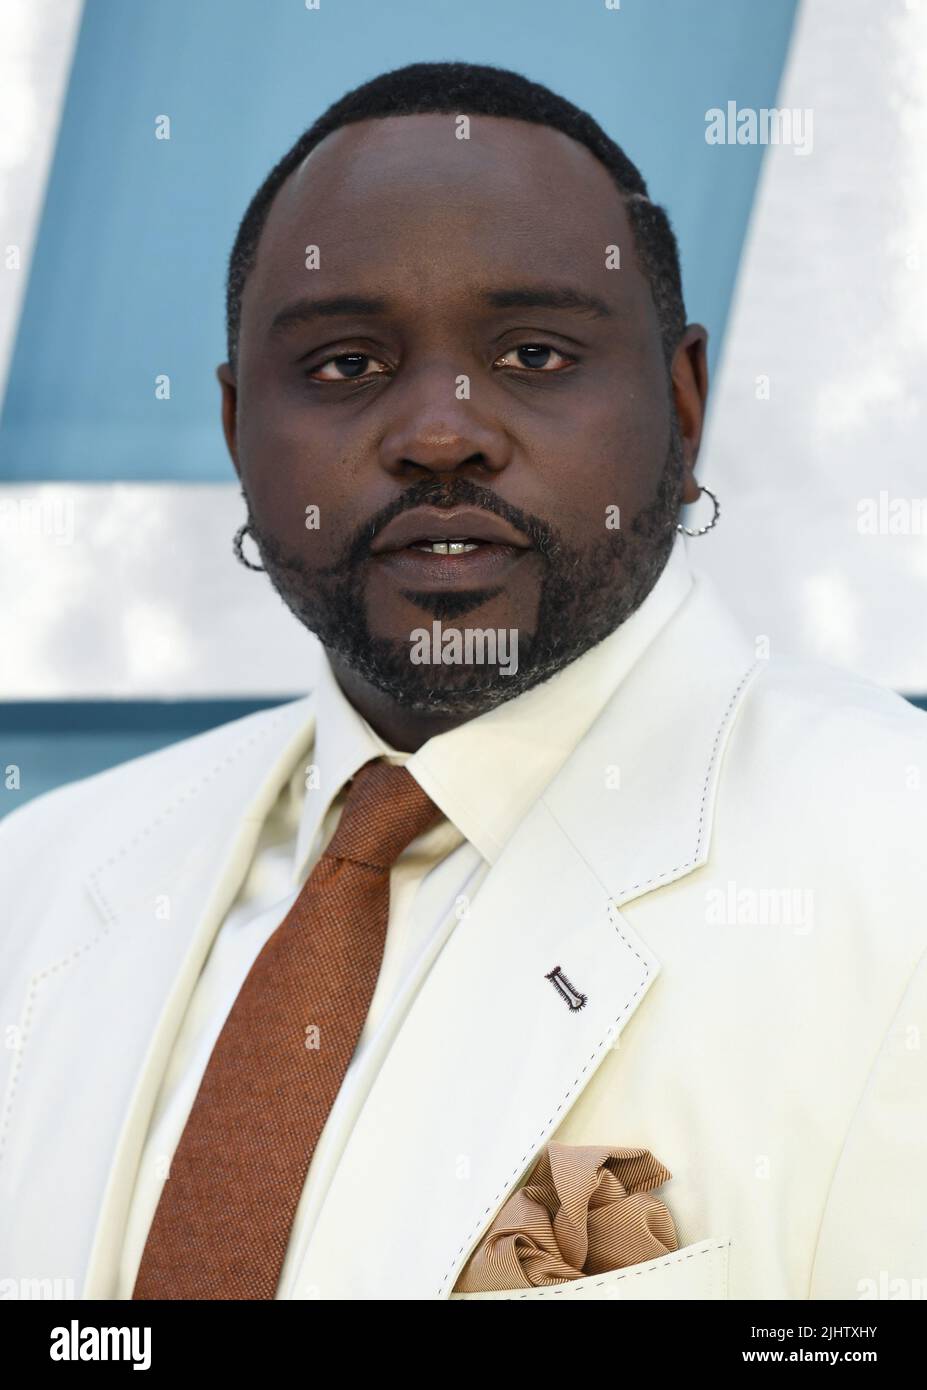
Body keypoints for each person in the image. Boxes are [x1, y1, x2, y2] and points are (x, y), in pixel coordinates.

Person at [1, 61, 925, 1303]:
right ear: (235, 431)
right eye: (341, 365)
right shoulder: (41, 881)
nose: (440, 433)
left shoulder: (894, 870)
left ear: (684, 400)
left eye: (534, 353)